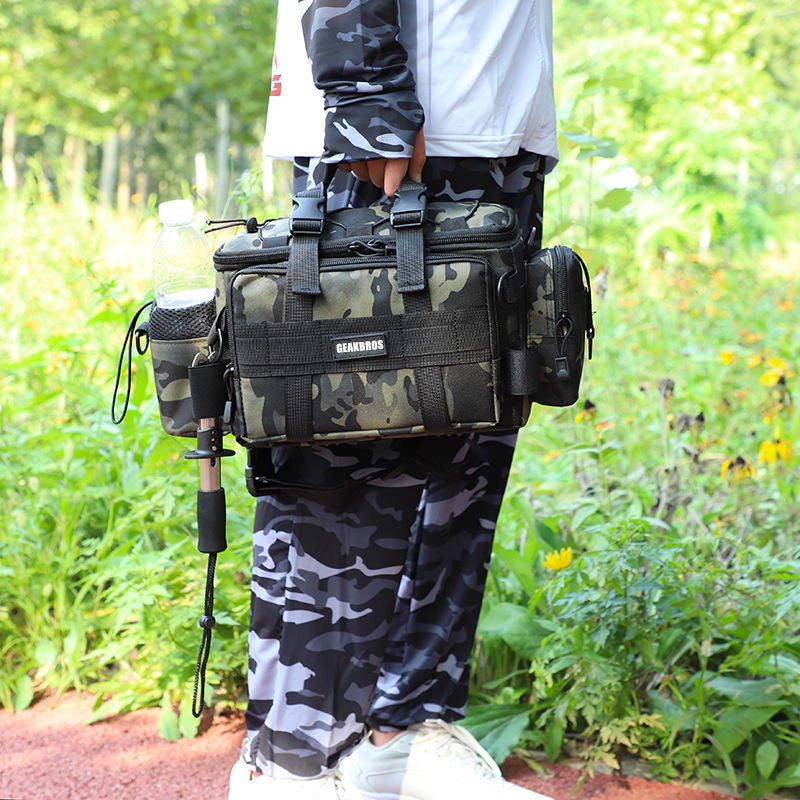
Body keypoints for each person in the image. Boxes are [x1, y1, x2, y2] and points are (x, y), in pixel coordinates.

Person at [229, 1, 559, 798]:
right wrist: (366, 92)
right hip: (393, 119)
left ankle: (400, 736)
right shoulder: (374, 104)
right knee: (347, 455)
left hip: (493, 119)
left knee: (468, 436)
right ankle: (293, 763)